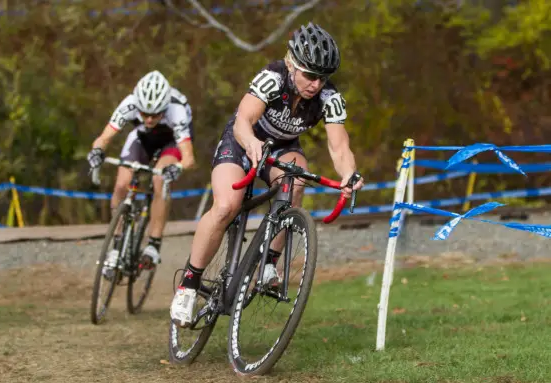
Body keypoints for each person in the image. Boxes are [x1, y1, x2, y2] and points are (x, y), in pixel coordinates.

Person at [170, 23, 365, 327]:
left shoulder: (330, 97)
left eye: (322, 77)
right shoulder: (273, 77)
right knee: (225, 207)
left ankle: (268, 265)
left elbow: (339, 148)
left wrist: (350, 174)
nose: (316, 84)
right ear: (292, 64)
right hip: (242, 139)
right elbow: (243, 121)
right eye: (309, 75)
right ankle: (189, 285)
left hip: (283, 146)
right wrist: (251, 144)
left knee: (297, 179)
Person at [87, 70, 196, 275]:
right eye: (144, 113)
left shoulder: (177, 110)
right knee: (121, 185)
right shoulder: (129, 103)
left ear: (164, 108)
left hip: (171, 142)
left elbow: (189, 159)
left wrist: (177, 167)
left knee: (159, 178)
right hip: (141, 139)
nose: (148, 119)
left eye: (155, 114)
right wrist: (96, 152)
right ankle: (116, 248)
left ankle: (153, 244)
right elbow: (103, 138)